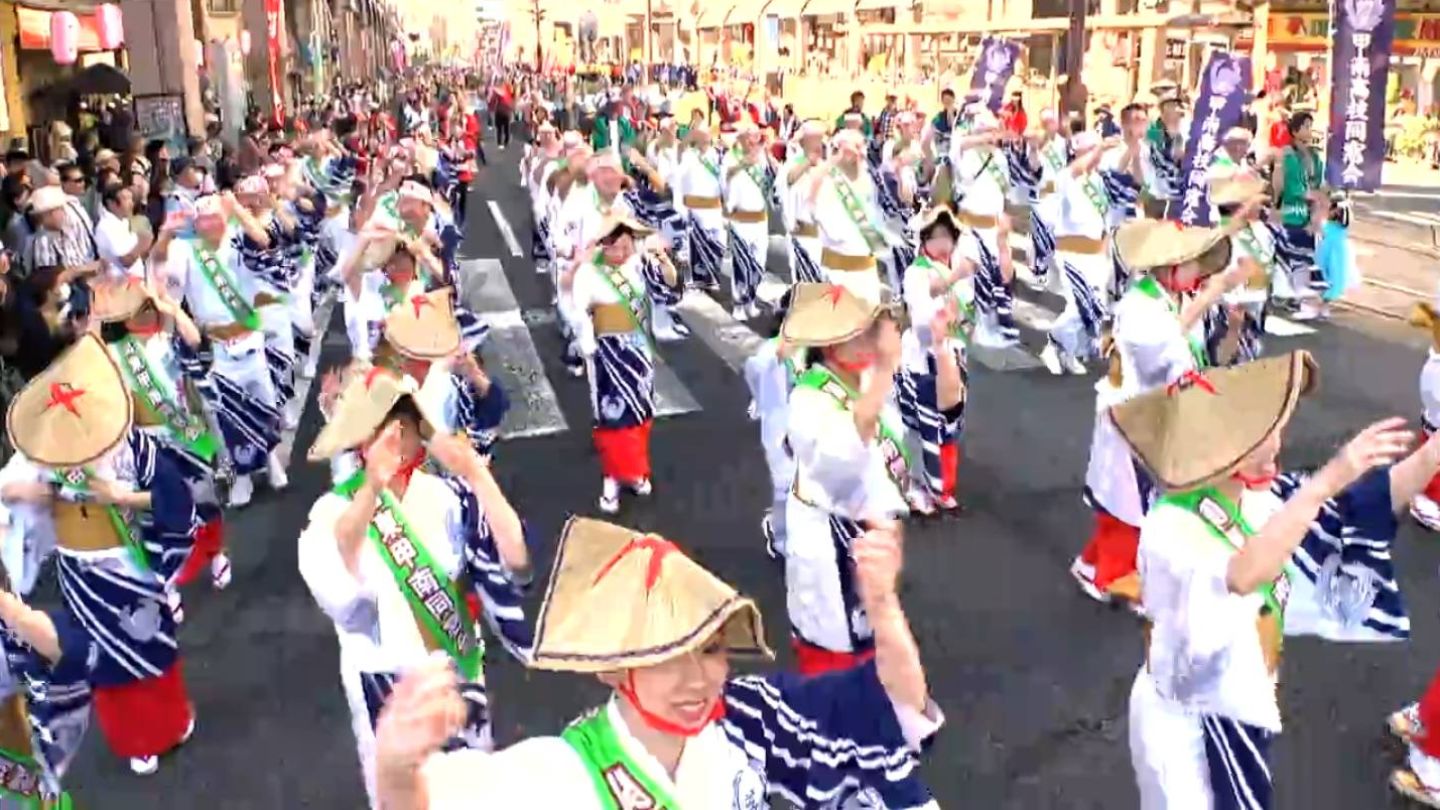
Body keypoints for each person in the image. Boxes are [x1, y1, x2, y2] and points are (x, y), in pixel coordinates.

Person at [371, 515, 943, 809]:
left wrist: (882, 604)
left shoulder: (747, 717)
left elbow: (891, 705)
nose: (699, 679)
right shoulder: (564, 773)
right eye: (668, 656)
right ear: (613, 666)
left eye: (713, 650)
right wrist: (397, 766)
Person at [1120, 351, 1428, 808]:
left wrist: (1433, 455)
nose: (1276, 449)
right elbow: (1245, 573)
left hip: (1240, 704)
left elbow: (1359, 510)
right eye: (1263, 440)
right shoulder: (1170, 525)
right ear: (1221, 453)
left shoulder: (1257, 498)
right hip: (1184, 723)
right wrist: (1327, 480)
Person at [298, 366, 532, 808]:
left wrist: (477, 475)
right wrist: (371, 488)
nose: (396, 438)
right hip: (385, 680)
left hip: (453, 666)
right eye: (383, 429)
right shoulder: (330, 512)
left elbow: (515, 563)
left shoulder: (449, 497)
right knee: (403, 794)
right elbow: (345, 601)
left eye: (403, 424)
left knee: (469, 785)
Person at [0, 334, 199, 776]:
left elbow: (173, 495)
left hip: (128, 563)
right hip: (80, 569)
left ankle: (173, 720)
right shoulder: (44, 455)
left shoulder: (128, 445)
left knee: (153, 646)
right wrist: (38, 490)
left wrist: (123, 497)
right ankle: (135, 740)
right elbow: (7, 486)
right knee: (104, 659)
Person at [782, 283, 914, 674]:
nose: (869, 341)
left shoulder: (863, 376)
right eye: (858, 335)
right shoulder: (807, 397)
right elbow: (840, 464)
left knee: (874, 630)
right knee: (834, 639)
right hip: (830, 534)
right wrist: (887, 369)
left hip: (868, 526)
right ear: (830, 346)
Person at [570, 214, 670, 514]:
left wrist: (663, 260)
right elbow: (577, 313)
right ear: (605, 245)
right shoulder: (589, 273)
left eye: (628, 245)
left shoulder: (639, 265)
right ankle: (612, 478)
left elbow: (668, 288)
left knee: (640, 412)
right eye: (617, 246)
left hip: (638, 350)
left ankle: (636, 470)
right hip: (607, 353)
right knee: (613, 418)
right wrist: (588, 346)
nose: (624, 252)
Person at [897, 207, 971, 515]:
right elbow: (923, 321)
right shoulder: (916, 272)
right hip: (922, 359)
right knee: (920, 425)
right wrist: (952, 283)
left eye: (947, 236)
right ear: (925, 240)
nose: (943, 242)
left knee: (949, 424)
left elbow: (966, 313)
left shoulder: (954, 271)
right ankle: (915, 485)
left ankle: (942, 486)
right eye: (936, 236)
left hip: (952, 356)